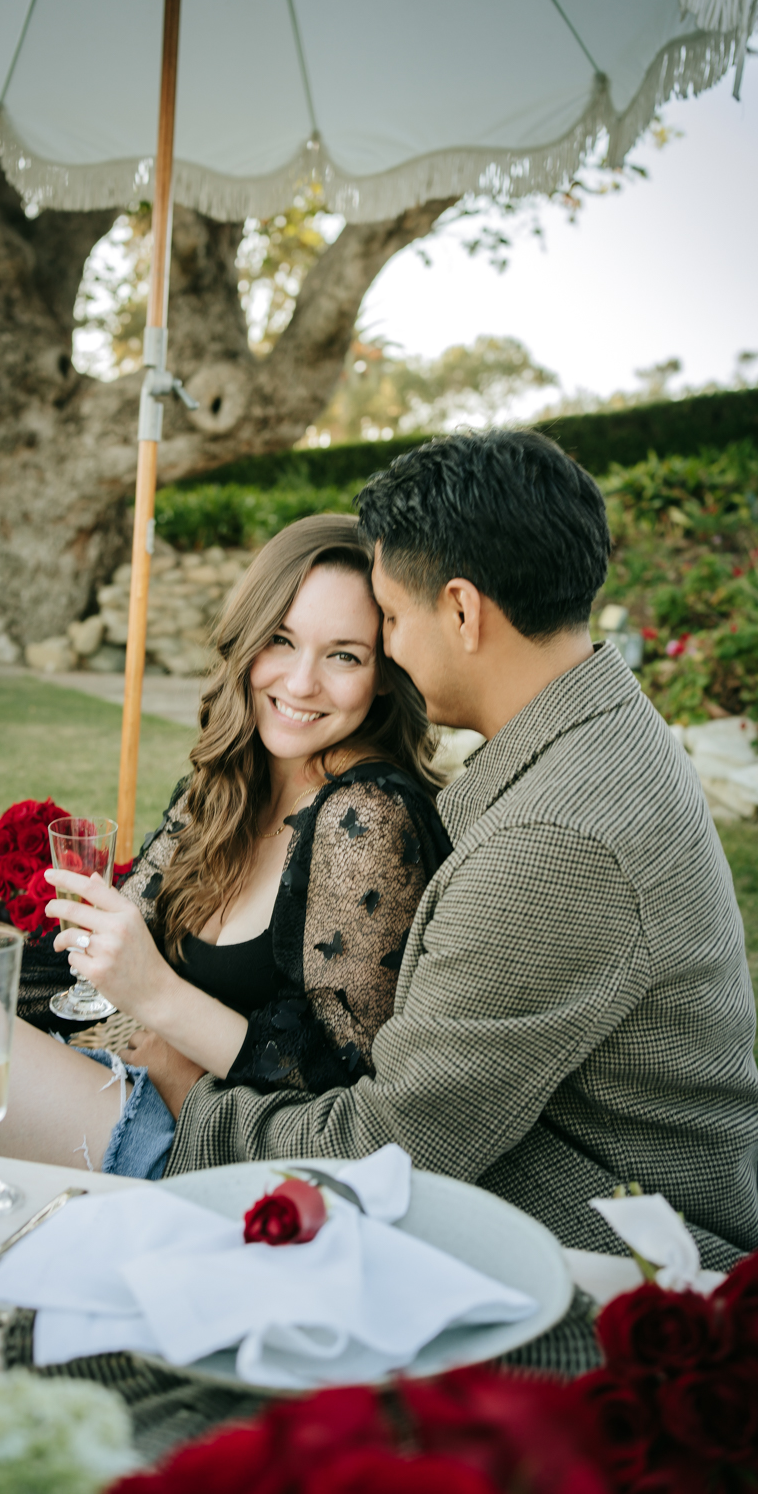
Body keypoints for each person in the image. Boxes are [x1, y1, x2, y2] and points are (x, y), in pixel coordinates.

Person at [144, 429, 758, 1271]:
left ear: (463, 611)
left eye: (389, 618)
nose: (388, 648)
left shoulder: (556, 841)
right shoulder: (602, 732)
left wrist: (181, 1091)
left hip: (615, 1258)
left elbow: (383, 1150)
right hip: (555, 1190)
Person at [0, 515, 450, 1180]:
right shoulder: (228, 786)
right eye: (281, 640)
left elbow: (350, 1089)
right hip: (116, 1082)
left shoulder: (369, 817)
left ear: (383, 672)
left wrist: (158, 998)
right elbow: (84, 972)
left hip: (193, 1146)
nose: (301, 683)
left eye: (343, 656)